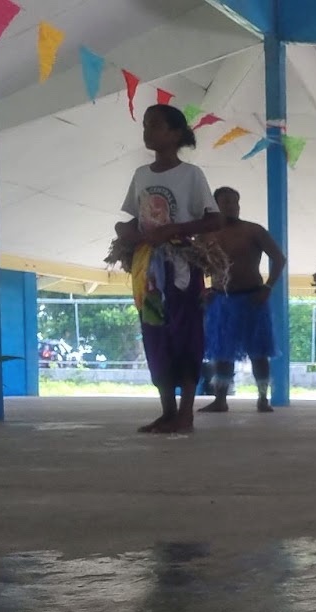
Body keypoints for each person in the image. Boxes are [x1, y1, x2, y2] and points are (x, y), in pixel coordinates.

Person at [115, 104, 223, 435]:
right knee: (155, 334)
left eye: (155, 125)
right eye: (146, 125)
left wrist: (174, 230)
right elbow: (137, 217)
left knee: (185, 333)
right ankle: (167, 410)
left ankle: (186, 412)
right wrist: (127, 232)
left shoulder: (191, 175)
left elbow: (213, 218)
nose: (147, 131)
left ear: (175, 134)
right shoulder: (141, 175)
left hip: (182, 265)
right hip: (148, 268)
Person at [200, 187, 285, 415]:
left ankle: (262, 398)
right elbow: (194, 264)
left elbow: (279, 258)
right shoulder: (206, 234)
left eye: (234, 202)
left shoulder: (253, 230)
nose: (231, 206)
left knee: (259, 351)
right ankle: (220, 399)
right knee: (221, 352)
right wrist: (203, 289)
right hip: (221, 298)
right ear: (215, 206)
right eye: (225, 202)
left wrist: (268, 286)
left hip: (253, 297)